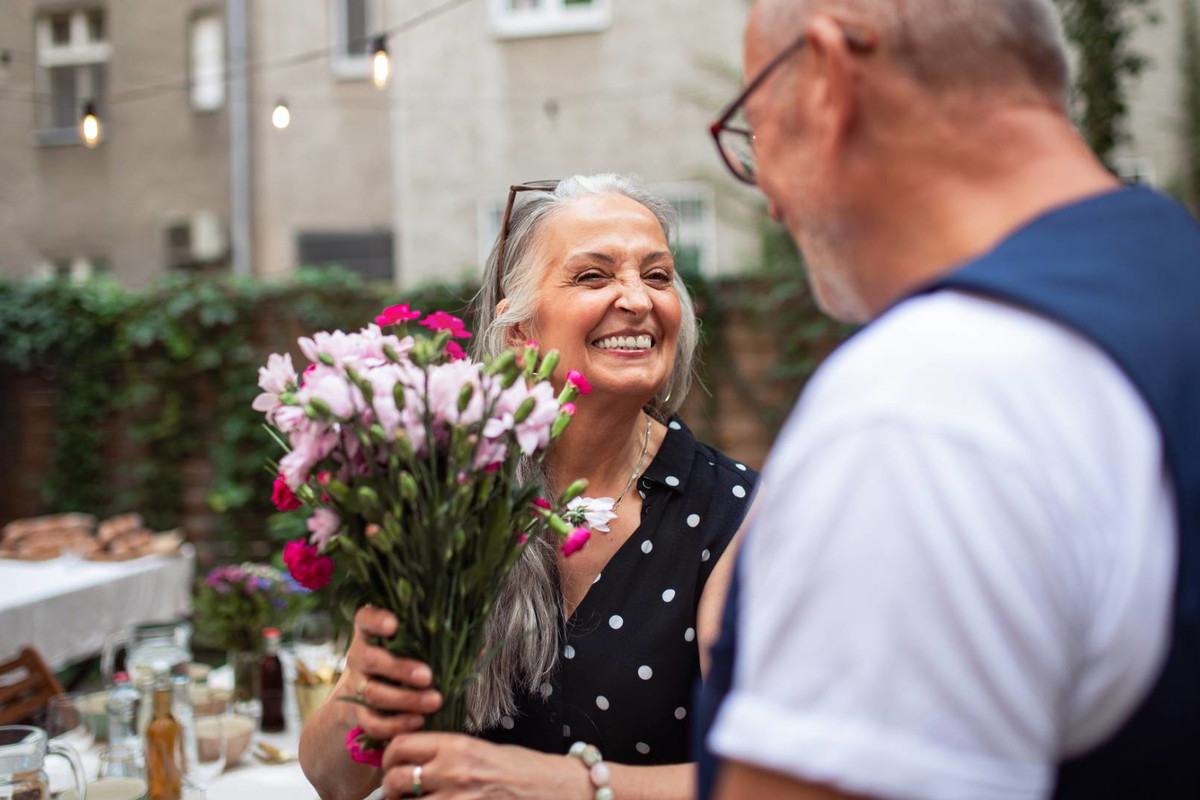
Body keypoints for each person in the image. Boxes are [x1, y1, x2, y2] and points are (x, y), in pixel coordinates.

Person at [695, 1, 1200, 799]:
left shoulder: (927, 404)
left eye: (755, 133)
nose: (771, 198)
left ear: (827, 79)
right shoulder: (1173, 271)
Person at [298, 174, 758, 800]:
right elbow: (333, 779)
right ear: (519, 331)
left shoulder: (731, 514)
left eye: (657, 276)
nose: (637, 299)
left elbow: (761, 783)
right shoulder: (450, 494)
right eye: (592, 276)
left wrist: (568, 785)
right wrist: (364, 687)